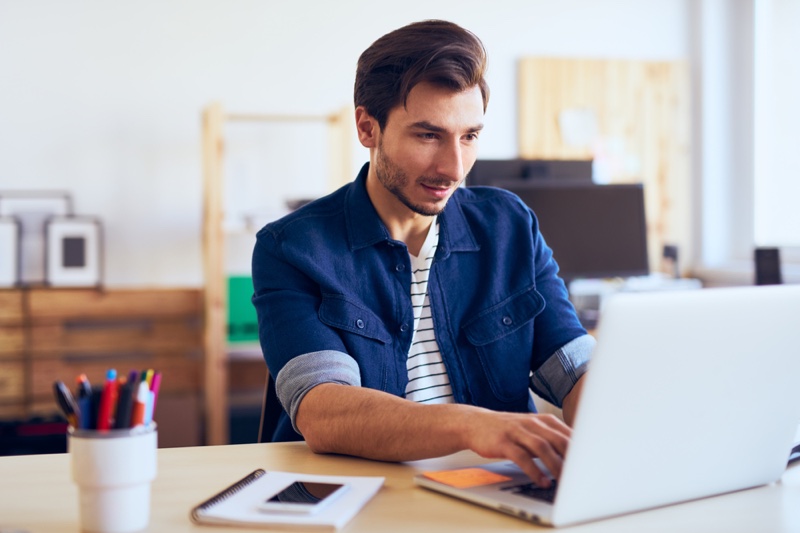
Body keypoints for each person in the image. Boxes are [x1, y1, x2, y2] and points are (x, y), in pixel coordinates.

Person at [251, 19, 594, 488]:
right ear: (368, 127)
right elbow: (323, 409)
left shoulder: (509, 225)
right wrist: (474, 425)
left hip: (496, 494)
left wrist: (608, 415)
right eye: (428, 135)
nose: (453, 167)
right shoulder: (292, 248)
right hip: (365, 501)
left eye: (469, 136)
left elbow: (574, 366)